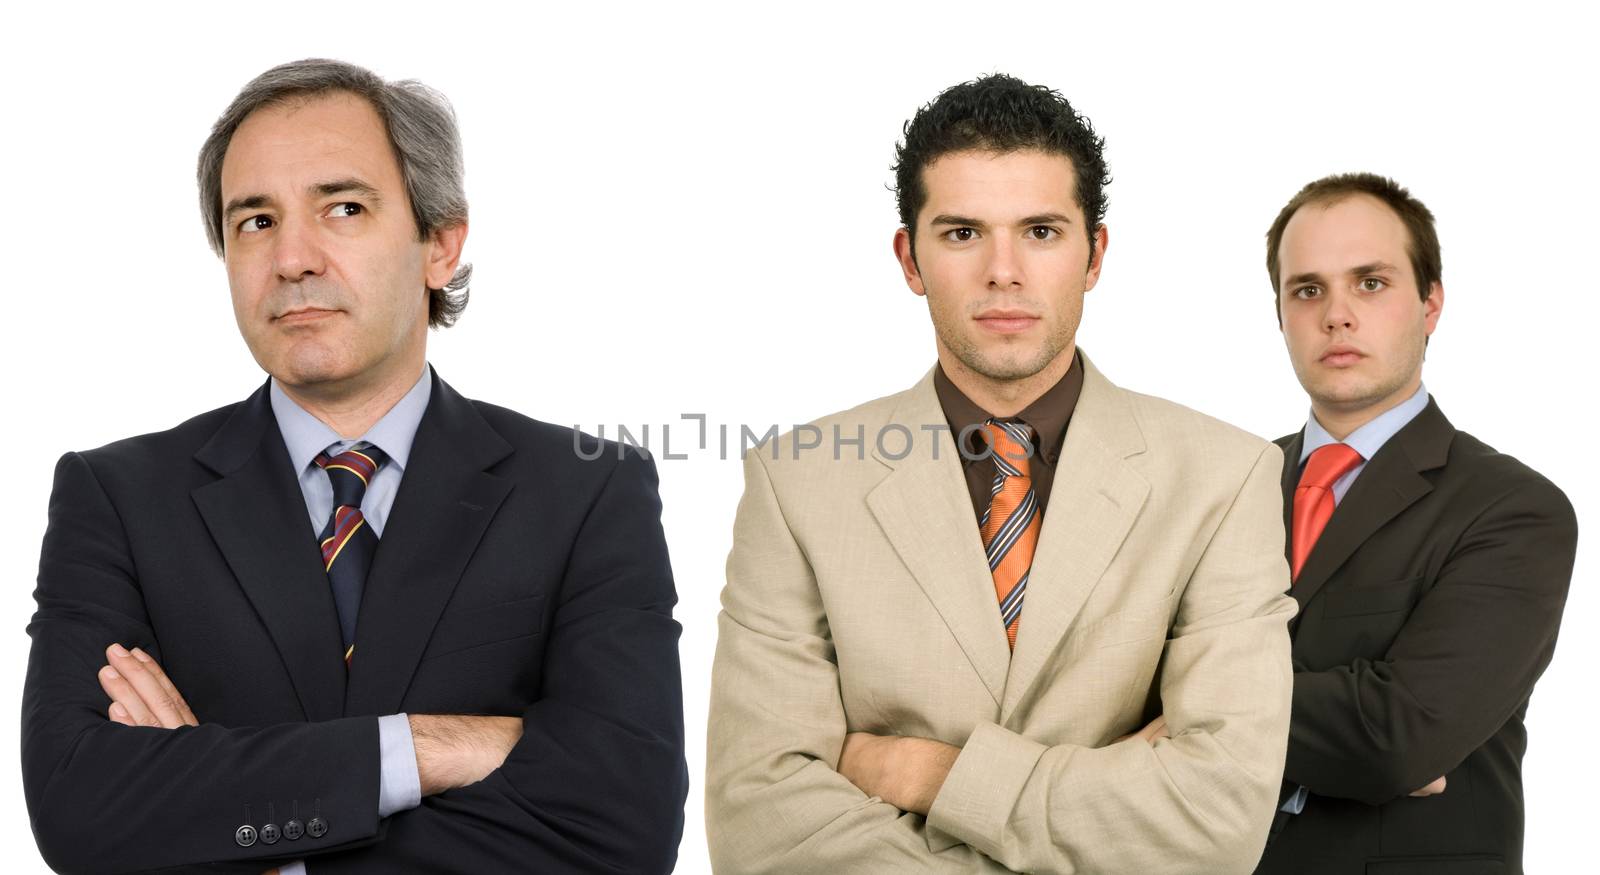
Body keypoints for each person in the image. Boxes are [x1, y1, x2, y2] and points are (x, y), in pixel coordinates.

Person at [21, 58, 687, 874]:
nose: (292, 258)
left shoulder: (587, 492)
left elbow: (628, 821)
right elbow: (78, 807)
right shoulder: (119, 499)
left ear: (440, 244)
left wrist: (240, 829)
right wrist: (425, 747)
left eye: (343, 208)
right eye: (254, 221)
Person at [705, 73, 1297, 874]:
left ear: (1096, 254)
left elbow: (1220, 815)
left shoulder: (1225, 479)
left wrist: (928, 774)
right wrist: (1103, 794)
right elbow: (758, 820)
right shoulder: (796, 482)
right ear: (909, 259)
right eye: (961, 234)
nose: (1004, 271)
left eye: (1043, 232)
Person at [1253, 173, 1576, 875]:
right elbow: (1112, 677)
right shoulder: (1222, 488)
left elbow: (1398, 738)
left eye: (1370, 283)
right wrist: (1343, 712)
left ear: (1430, 303)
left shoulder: (1513, 510)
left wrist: (1185, 711)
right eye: (1307, 289)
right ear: (1279, 313)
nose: (1336, 314)